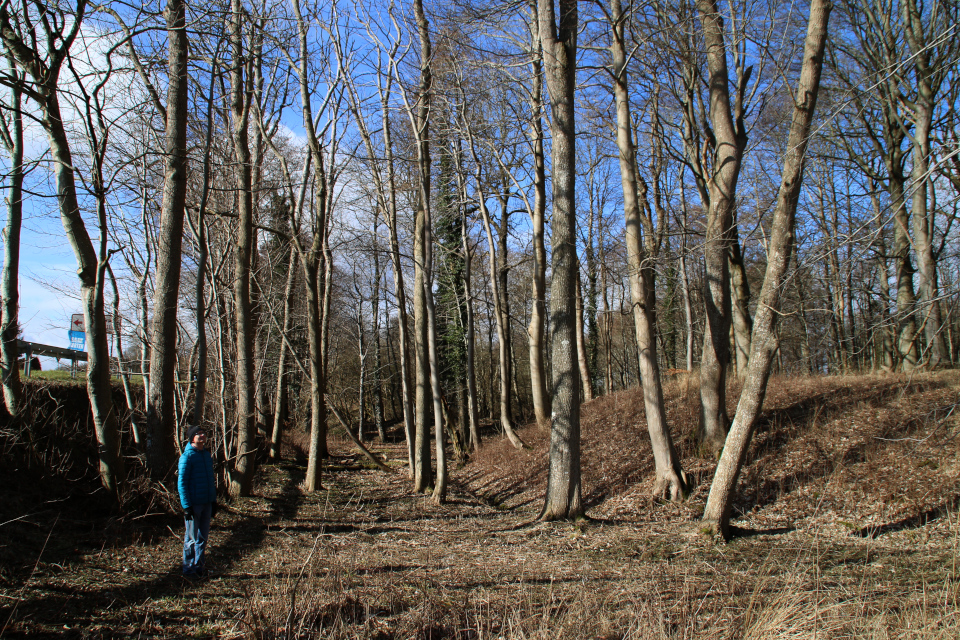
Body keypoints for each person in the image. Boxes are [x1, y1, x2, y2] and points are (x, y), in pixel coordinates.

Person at [178, 425, 218, 579]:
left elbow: (210, 480)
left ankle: (199, 567)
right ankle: (188, 570)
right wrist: (186, 506)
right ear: (192, 437)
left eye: (203, 433)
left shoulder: (206, 456)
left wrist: (213, 501)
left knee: (202, 538)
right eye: (198, 434)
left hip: (207, 502)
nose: (202, 436)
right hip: (193, 504)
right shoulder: (187, 457)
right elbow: (182, 483)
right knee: (191, 539)